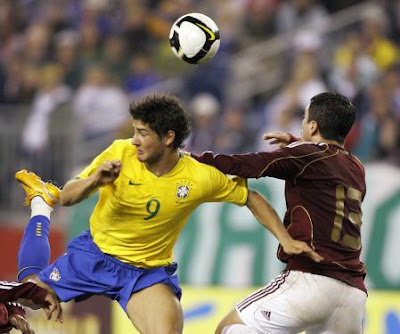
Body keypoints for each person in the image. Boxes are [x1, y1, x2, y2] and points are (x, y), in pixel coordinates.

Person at [15, 94, 320, 334]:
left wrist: (286, 239)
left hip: (144, 274)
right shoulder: (121, 152)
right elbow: (68, 197)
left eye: (143, 133)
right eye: (134, 131)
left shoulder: (199, 177)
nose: (135, 140)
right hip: (93, 255)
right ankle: (41, 203)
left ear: (168, 138)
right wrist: (95, 180)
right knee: (29, 295)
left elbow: (250, 197)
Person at [192, 92, 367, 334]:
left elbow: (250, 164)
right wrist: (297, 142)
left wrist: (190, 159)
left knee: (229, 328)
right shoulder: (357, 168)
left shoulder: (305, 154)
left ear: (313, 125)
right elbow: (325, 162)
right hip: (353, 297)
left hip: (311, 278)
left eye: (305, 118)